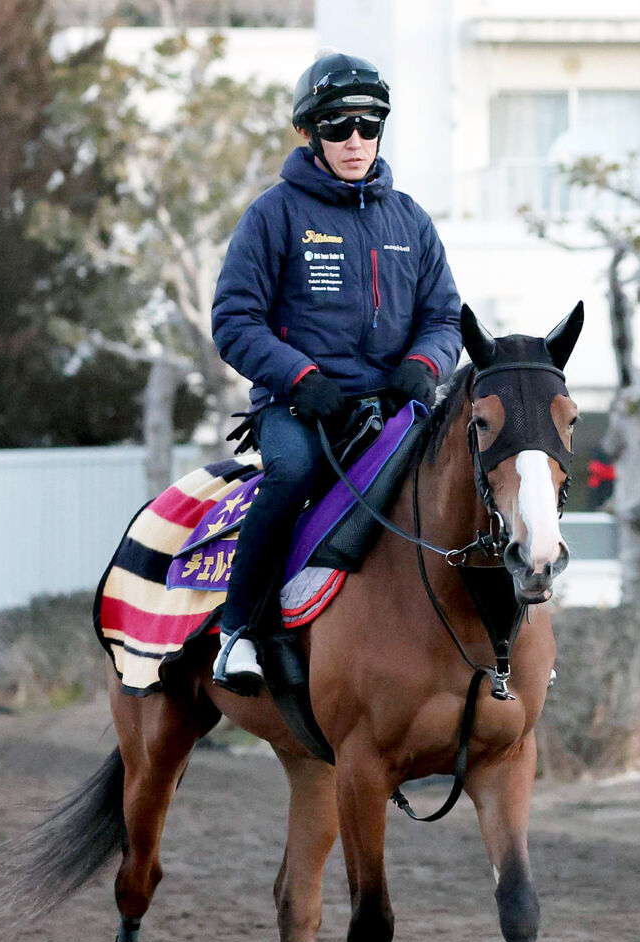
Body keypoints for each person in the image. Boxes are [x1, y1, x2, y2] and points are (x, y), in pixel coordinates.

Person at [211, 50, 462, 694]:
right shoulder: (272, 215)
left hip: (396, 404)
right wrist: (298, 378)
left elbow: (445, 317)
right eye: (337, 127)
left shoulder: (410, 219)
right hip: (301, 407)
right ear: (308, 133)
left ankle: (497, 646)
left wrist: (424, 364)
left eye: (368, 125)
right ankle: (236, 635)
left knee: (466, 479)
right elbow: (234, 321)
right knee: (292, 475)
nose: (355, 141)